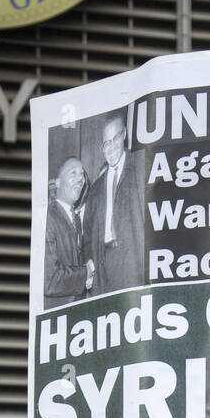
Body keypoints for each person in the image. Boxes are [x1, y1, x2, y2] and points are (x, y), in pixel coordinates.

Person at [83, 114, 145, 295]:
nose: (110, 148)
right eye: (106, 143)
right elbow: (87, 235)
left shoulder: (140, 169)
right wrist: (90, 266)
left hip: (133, 263)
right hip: (103, 268)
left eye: (115, 139)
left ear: (124, 134)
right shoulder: (95, 189)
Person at [44, 157, 95, 309]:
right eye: (73, 172)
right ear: (57, 183)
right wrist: (85, 273)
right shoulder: (48, 217)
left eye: (82, 174)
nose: (80, 179)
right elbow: (50, 280)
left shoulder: (76, 220)